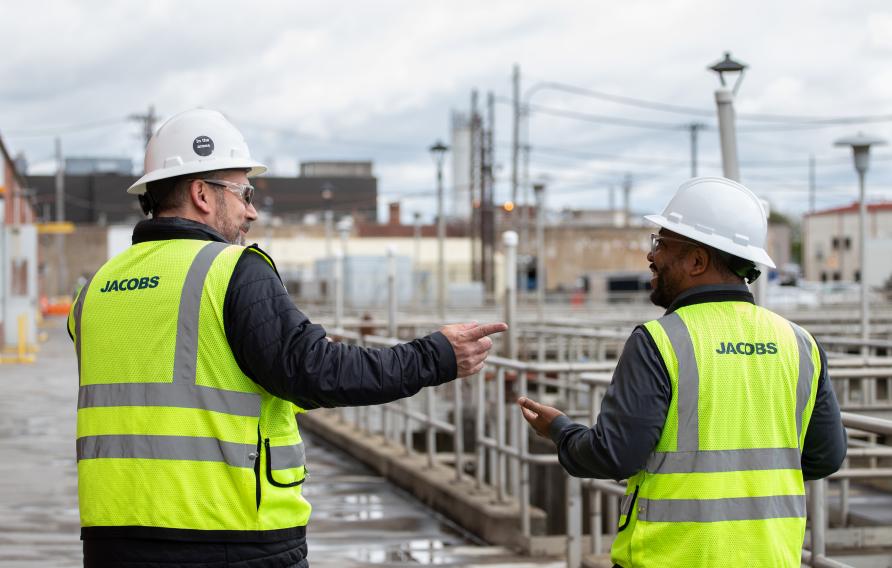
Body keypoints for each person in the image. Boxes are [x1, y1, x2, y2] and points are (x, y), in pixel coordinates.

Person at [68, 108, 507, 567]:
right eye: (243, 192)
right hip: (230, 538)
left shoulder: (95, 289)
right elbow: (316, 371)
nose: (251, 210)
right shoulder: (231, 272)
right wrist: (435, 356)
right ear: (201, 193)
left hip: (111, 542)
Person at [518, 177, 846, 568]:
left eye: (661, 243)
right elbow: (825, 456)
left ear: (696, 261)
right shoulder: (799, 343)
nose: (651, 256)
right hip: (768, 558)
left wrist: (561, 432)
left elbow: (614, 455)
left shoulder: (659, 341)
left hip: (670, 557)